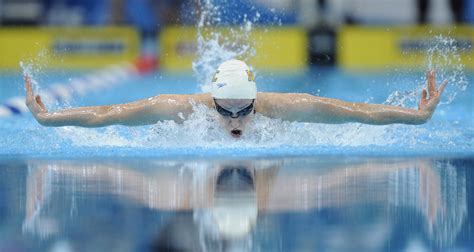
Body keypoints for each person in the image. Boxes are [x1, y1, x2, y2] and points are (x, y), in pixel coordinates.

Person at [25, 59, 448, 138]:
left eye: (244, 111)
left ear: (256, 100)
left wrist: (416, 116)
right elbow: (107, 114)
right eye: (224, 110)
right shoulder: (179, 108)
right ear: (210, 100)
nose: (235, 122)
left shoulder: (285, 106)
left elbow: (358, 112)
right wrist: (51, 118)